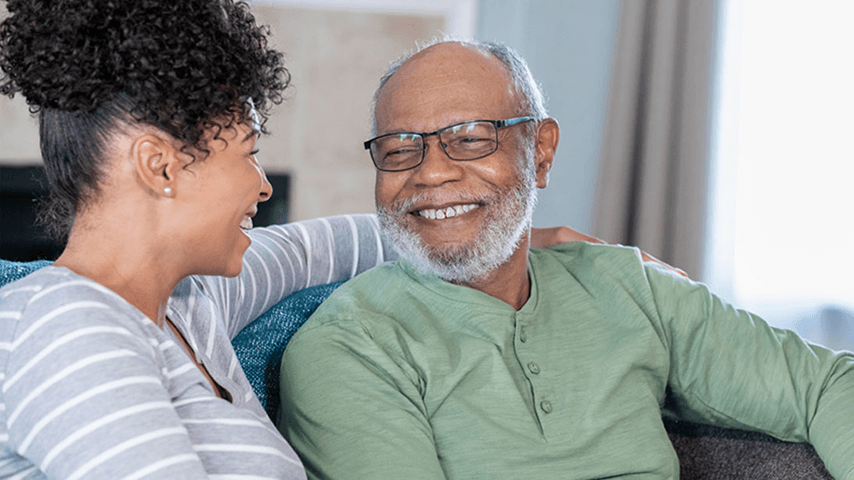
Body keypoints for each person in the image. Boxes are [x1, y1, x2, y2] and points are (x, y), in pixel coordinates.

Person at [0, 3, 599, 477]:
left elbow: (330, 245)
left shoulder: (190, 307)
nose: (262, 187)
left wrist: (495, 229)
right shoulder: (69, 325)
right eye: (250, 153)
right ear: (159, 166)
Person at [278, 39, 854, 480]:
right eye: (400, 148)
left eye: (471, 138)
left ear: (541, 152)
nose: (430, 173)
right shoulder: (349, 346)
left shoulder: (630, 286)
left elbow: (829, 387)